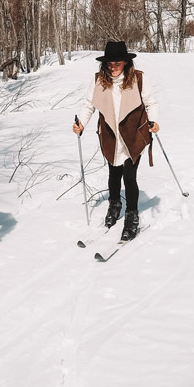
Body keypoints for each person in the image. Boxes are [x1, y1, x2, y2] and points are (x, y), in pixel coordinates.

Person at [73, 41, 160, 241]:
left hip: (133, 136)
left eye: (117, 62)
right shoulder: (99, 81)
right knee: (113, 174)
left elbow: (151, 102)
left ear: (126, 62)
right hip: (111, 135)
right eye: (109, 63)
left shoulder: (138, 79)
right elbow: (88, 105)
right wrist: (81, 124)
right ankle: (115, 205)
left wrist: (154, 121)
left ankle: (132, 215)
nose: (112, 66)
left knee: (129, 177)